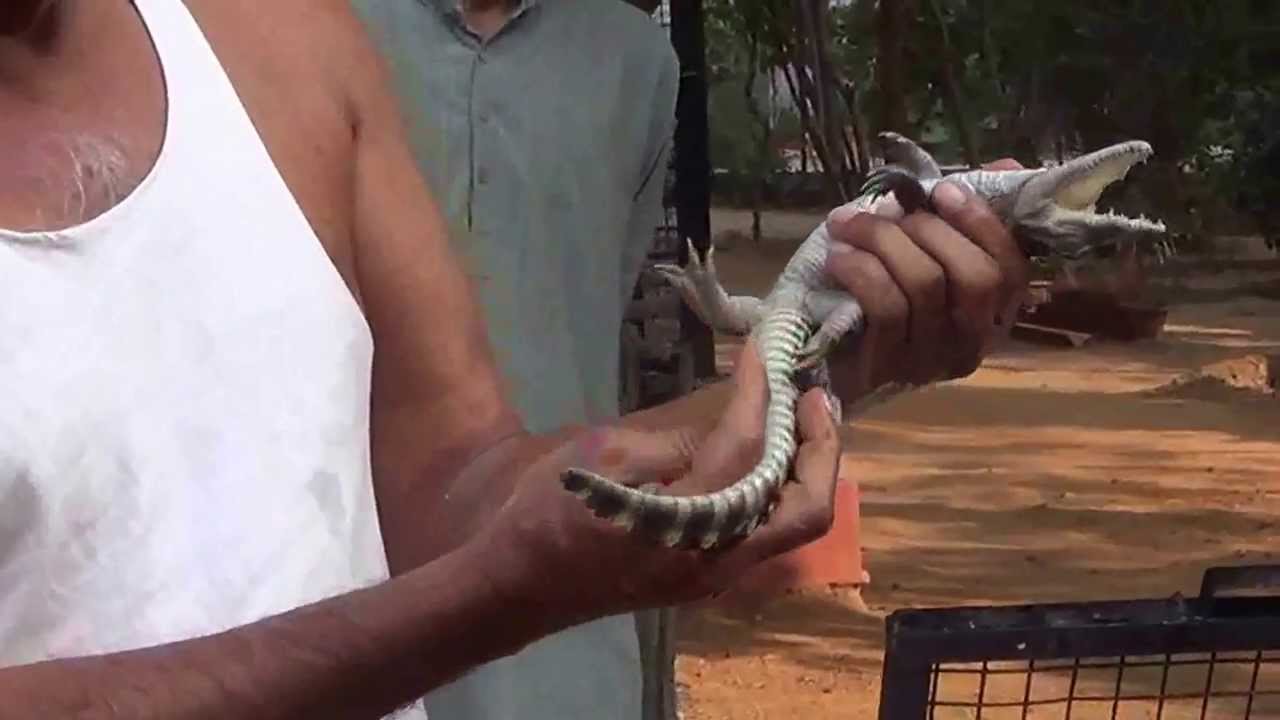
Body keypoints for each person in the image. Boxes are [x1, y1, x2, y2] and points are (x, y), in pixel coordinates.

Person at [0, 2, 1030, 719]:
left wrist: (811, 362)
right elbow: (481, 574)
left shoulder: (280, 43)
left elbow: (454, 483)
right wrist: (490, 602)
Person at [347, 1, 685, 717]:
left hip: (565, 584)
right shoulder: (322, 25)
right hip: (347, 570)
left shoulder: (635, 61)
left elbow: (591, 300)